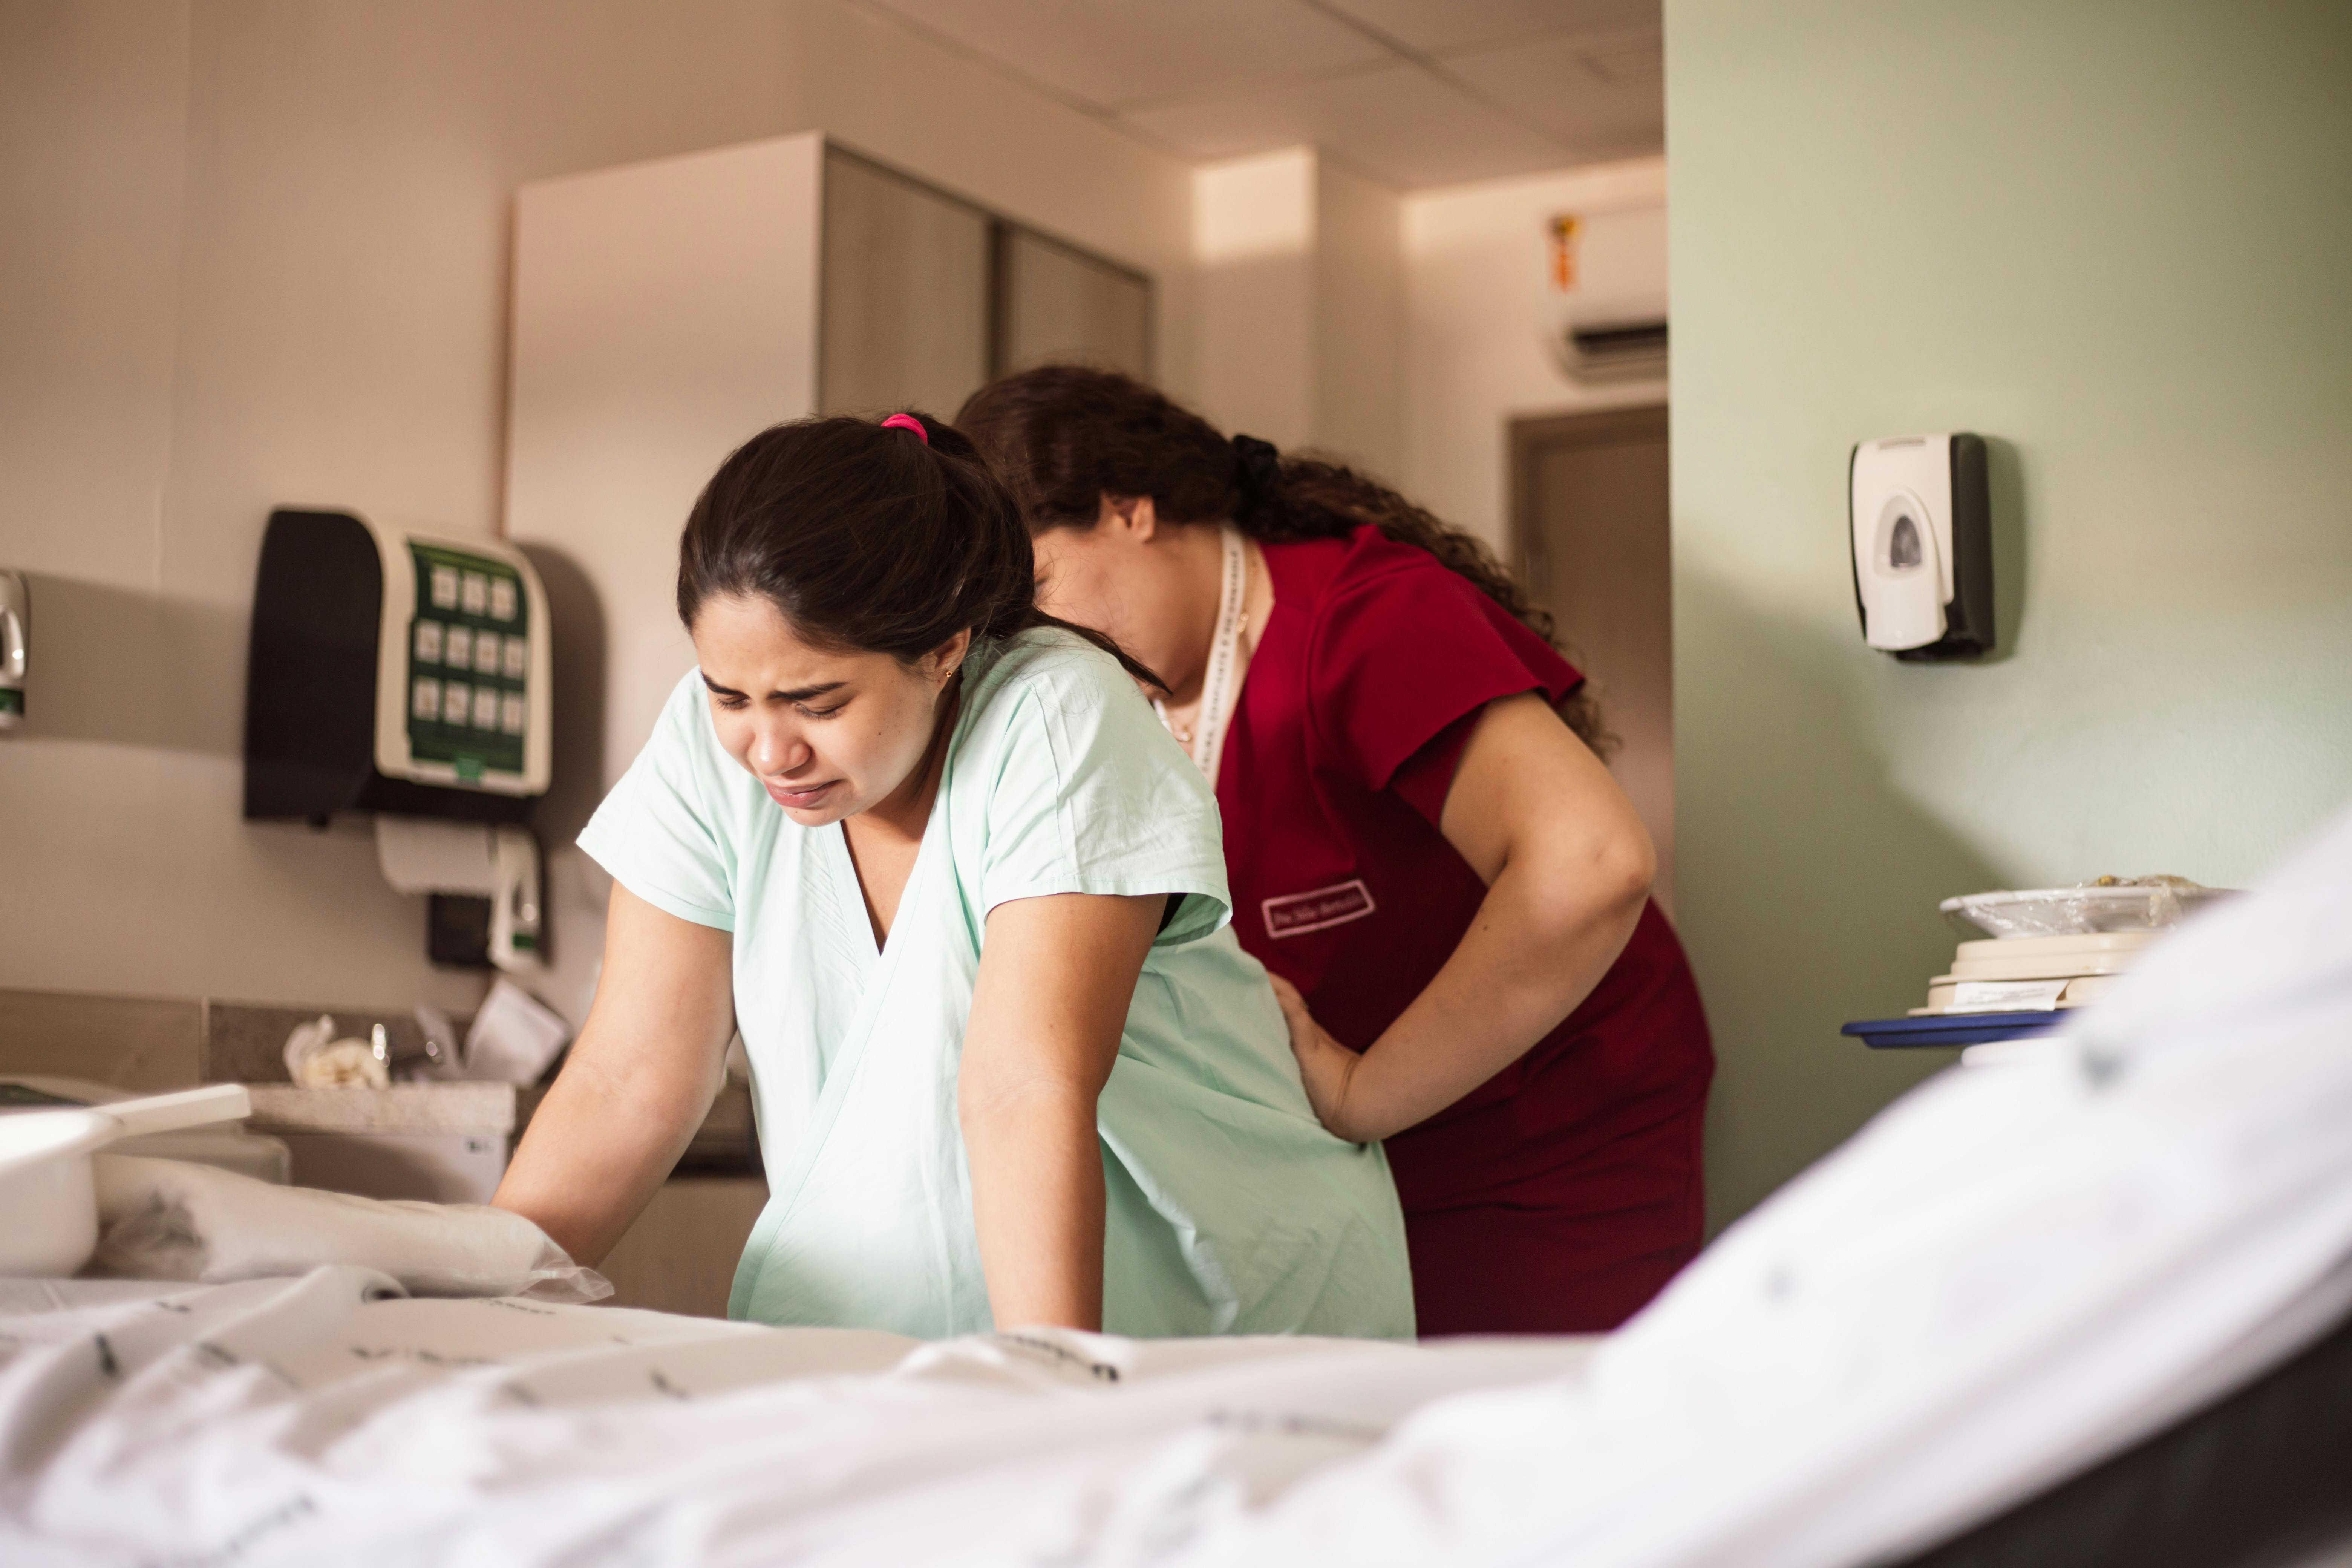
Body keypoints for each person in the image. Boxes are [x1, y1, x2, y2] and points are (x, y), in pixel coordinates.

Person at [493, 411, 1413, 1341]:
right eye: (730, 695)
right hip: (927, 1316)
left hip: (1215, 1297)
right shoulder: (708, 742)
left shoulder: (1056, 717)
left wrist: (1049, 1375)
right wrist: (479, 1300)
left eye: (818, 701)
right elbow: (627, 1080)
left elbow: (1025, 1082)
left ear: (944, 649)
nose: (769, 748)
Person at [958, 367, 1715, 1335]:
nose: (1041, 640)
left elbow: (1591, 864)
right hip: (1327, 1159)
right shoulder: (1109, 701)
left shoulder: (1363, 621)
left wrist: (1366, 1093)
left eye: (1039, 589)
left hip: (1542, 1137)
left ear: (1129, 510)